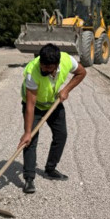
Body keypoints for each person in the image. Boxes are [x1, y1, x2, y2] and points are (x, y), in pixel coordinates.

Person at [18, 43, 86, 195]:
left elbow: (82, 73)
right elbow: (30, 104)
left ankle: (50, 169)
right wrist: (27, 132)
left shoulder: (67, 60)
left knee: (61, 135)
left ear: (57, 65)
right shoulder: (32, 72)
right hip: (35, 107)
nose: (44, 70)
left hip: (53, 104)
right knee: (31, 140)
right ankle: (29, 178)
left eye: (48, 68)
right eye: (43, 66)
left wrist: (66, 90)